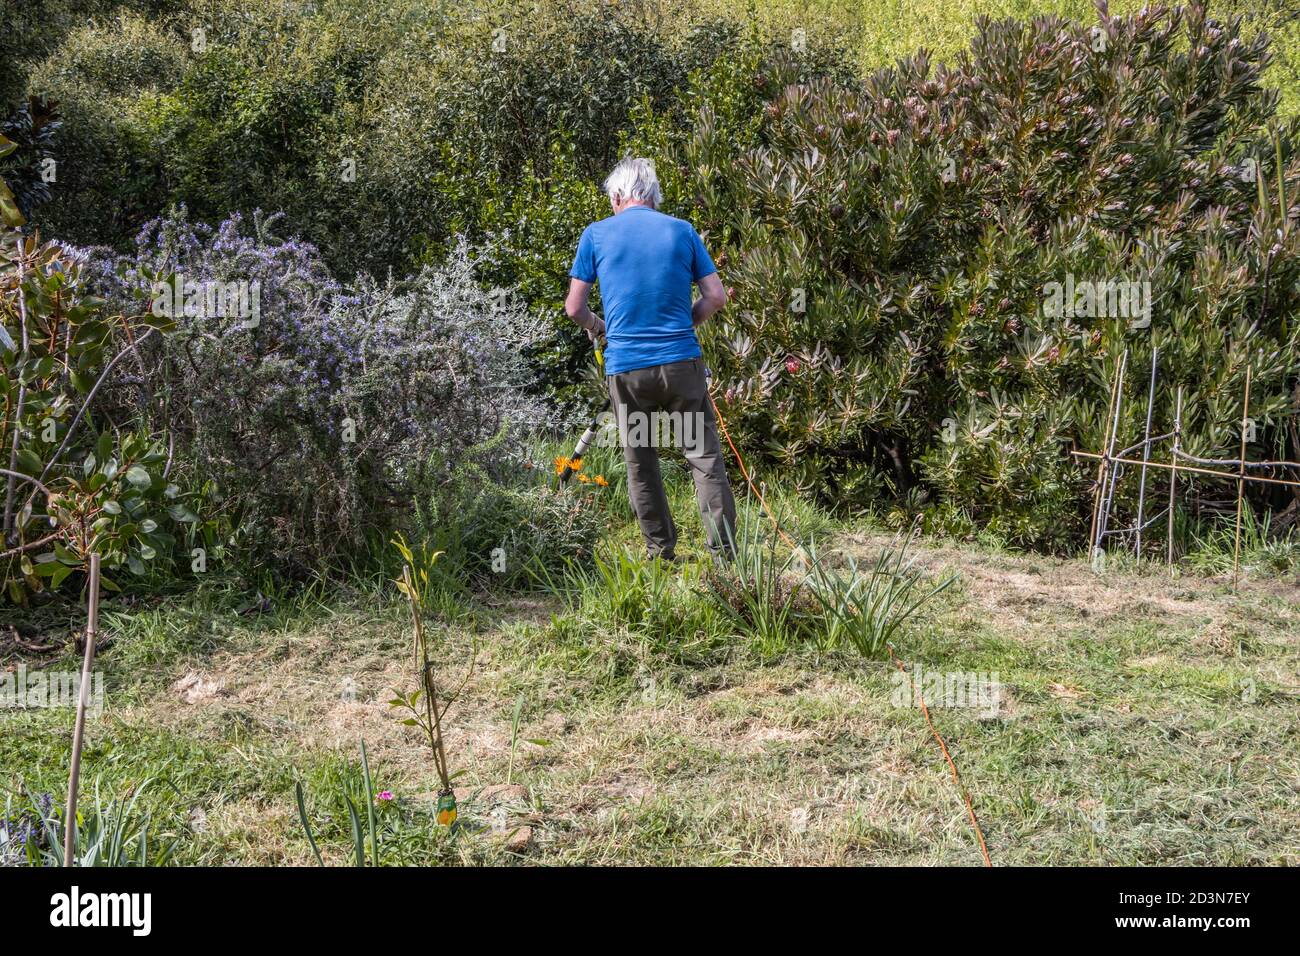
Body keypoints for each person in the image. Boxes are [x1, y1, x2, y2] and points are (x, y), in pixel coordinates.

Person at [565, 157, 736, 562]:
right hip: (681, 365)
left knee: (641, 460)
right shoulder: (682, 231)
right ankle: (725, 558)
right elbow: (716, 297)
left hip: (628, 371)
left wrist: (600, 326)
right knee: (703, 457)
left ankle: (660, 552)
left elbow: (574, 308)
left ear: (620, 196)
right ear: (653, 196)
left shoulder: (596, 235)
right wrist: (685, 325)